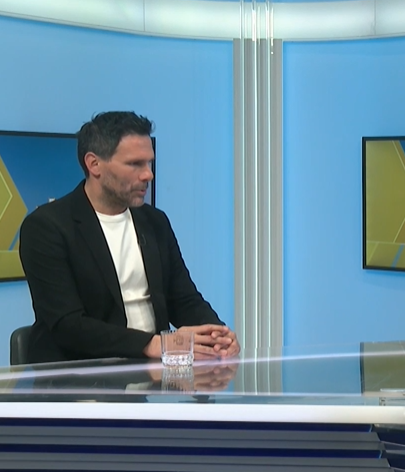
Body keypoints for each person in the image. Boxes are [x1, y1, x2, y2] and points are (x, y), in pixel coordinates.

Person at [18, 111, 239, 364]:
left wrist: (215, 335)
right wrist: (152, 344)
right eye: (135, 164)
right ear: (94, 164)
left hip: (152, 370)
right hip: (79, 373)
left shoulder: (155, 221)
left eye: (149, 163)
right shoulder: (47, 226)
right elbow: (67, 324)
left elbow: (183, 299)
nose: (148, 175)